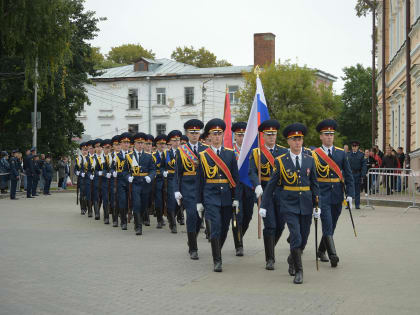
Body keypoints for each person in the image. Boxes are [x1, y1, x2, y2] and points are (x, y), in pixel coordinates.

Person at [260, 123, 319, 284]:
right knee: (296, 236)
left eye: (299, 139)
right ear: (288, 141)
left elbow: (314, 184)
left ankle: (292, 259)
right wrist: (263, 205)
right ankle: (299, 271)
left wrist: (317, 205)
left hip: (306, 203)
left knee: (304, 238)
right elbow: (271, 185)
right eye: (294, 139)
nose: (297, 142)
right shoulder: (280, 161)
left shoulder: (309, 159)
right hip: (288, 204)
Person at [197, 118, 240, 272]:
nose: (216, 137)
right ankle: (217, 260)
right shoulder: (203, 155)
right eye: (214, 134)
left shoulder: (229, 154)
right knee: (215, 226)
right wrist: (199, 201)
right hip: (211, 195)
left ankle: (217, 250)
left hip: (227, 196)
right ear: (209, 136)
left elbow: (235, 178)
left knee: (225, 229)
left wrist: (236, 198)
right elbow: (200, 180)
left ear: (222, 135)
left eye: (219, 134)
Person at [312, 119, 354, 269]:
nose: (329, 137)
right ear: (321, 137)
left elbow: (348, 175)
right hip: (321, 195)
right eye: (326, 134)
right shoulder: (314, 154)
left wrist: (350, 194)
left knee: (333, 225)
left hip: (337, 194)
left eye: (331, 134)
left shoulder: (341, 153)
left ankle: (321, 250)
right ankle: (333, 255)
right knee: (327, 224)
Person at [248, 119, 288, 270]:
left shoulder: (284, 151)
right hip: (265, 193)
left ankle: (269, 246)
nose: (271, 137)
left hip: (281, 193)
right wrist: (256, 185)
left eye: (274, 134)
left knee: (281, 226)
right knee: (270, 225)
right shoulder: (256, 152)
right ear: (263, 136)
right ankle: (269, 258)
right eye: (268, 135)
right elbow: (251, 171)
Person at [174, 119, 206, 260]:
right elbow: (177, 173)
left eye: (197, 132)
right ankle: (193, 248)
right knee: (192, 215)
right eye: (192, 133)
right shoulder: (181, 151)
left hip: (203, 187)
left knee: (200, 217)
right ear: (187, 133)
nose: (194, 135)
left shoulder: (206, 149)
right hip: (188, 186)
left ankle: (191, 237)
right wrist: (177, 190)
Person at [230, 121, 255, 257]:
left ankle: (239, 236)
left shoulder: (252, 151)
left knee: (248, 216)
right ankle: (238, 244)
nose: (242, 137)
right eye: (239, 135)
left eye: (244, 135)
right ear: (235, 136)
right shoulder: (230, 151)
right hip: (235, 188)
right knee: (237, 217)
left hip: (249, 187)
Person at [126, 133, 157, 235]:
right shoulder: (129, 156)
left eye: (142, 143)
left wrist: (150, 177)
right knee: (137, 204)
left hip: (145, 183)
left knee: (144, 205)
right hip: (135, 183)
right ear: (134, 144)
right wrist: (128, 177)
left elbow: (153, 170)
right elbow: (125, 171)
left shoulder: (148, 156)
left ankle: (142, 218)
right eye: (138, 143)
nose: (140, 145)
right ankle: (138, 227)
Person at [162, 130, 182, 233]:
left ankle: (175, 215)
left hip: (181, 179)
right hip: (170, 178)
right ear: (171, 142)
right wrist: (164, 172)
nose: (177, 142)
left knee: (181, 203)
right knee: (172, 201)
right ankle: (173, 223)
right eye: (174, 140)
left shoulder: (183, 152)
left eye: (178, 140)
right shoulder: (166, 153)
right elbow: (161, 166)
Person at [116, 133, 132, 230]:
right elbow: (111, 168)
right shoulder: (116, 155)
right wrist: (113, 172)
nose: (126, 144)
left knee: (132, 201)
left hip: (131, 181)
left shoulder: (133, 155)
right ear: (120, 144)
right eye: (124, 142)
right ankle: (123, 221)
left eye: (127, 142)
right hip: (121, 181)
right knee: (122, 201)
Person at [152, 134, 167, 229]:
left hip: (166, 180)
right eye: (160, 144)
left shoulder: (168, 155)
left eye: (164, 144)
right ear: (156, 145)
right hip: (157, 180)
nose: (162, 146)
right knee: (158, 200)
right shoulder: (153, 156)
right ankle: (159, 219)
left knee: (168, 200)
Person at [347, 141, 367, 209]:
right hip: (349, 174)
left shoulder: (361, 155)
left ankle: (357, 204)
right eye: (353, 146)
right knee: (349, 189)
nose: (354, 147)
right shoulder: (348, 154)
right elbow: (345, 165)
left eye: (355, 146)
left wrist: (363, 175)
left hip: (357, 174)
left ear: (358, 147)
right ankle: (348, 204)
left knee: (357, 190)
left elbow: (364, 166)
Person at [100, 139, 113, 224]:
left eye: (109, 148)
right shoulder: (100, 158)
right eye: (106, 148)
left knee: (113, 199)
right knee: (105, 199)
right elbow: (98, 170)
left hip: (112, 181)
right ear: (103, 148)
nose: (107, 149)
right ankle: (106, 217)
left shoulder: (114, 157)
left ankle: (114, 216)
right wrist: (104, 174)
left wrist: (112, 173)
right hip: (104, 181)